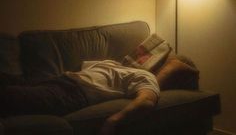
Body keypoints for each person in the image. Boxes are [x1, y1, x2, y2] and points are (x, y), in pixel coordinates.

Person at [0, 60, 160, 135]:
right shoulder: (113, 63)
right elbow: (81, 66)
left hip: (74, 93)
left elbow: (146, 101)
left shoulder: (146, 76)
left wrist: (113, 121)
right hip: (60, 79)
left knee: (8, 96)